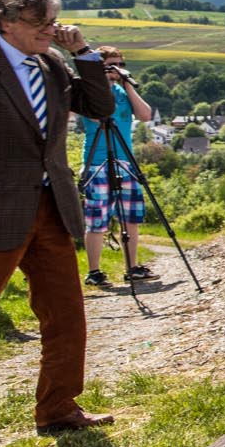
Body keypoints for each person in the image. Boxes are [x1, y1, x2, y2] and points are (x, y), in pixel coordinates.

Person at [0, 0, 116, 434]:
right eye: (37, 21)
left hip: (51, 207)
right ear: (5, 21)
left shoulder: (54, 64)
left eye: (51, 20)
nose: (49, 28)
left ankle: (59, 408)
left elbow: (100, 107)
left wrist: (83, 53)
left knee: (65, 316)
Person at [80, 46, 157, 286]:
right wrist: (100, 81)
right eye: (111, 65)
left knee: (130, 217)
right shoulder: (90, 92)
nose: (117, 70)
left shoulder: (123, 92)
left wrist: (128, 86)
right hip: (98, 161)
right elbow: (96, 115)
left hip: (125, 160)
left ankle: (132, 267)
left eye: (120, 65)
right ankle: (94, 272)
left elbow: (145, 115)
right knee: (97, 220)